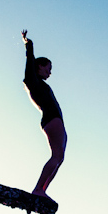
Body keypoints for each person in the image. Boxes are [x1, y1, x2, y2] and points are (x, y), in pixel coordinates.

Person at [21, 29, 66, 199]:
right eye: (49, 68)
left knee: (59, 158)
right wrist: (28, 43)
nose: (50, 72)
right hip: (52, 120)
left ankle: (42, 191)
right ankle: (39, 189)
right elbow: (29, 59)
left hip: (54, 120)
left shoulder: (39, 82)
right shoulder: (32, 79)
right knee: (56, 156)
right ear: (40, 66)